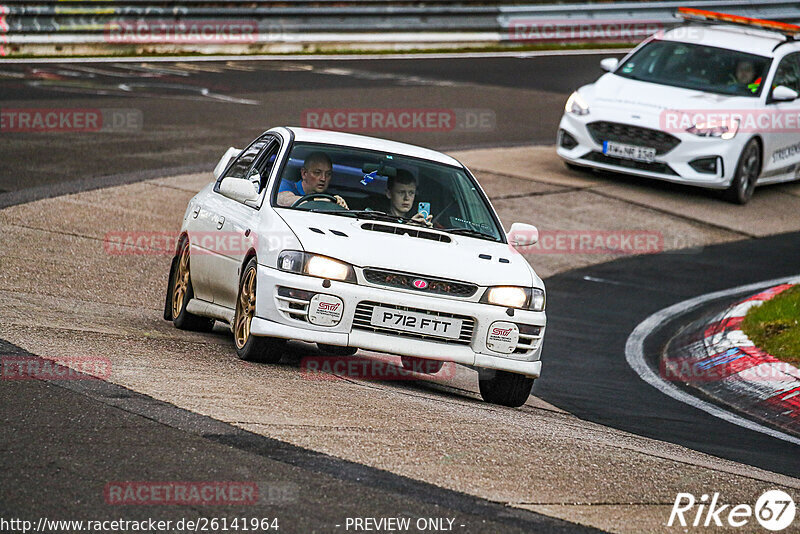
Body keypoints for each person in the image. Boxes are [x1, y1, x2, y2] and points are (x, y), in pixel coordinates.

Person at [277, 151, 348, 208]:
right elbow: (284, 200)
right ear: (304, 173)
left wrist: (339, 205)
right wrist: (320, 202)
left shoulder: (330, 198)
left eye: (328, 174)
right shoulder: (285, 185)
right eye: (317, 173)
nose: (323, 178)